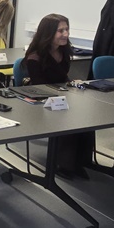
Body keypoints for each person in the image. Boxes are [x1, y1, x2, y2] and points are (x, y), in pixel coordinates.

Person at [22, 14, 93, 179]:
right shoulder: (35, 57)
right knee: (70, 118)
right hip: (40, 100)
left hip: (60, 95)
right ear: (48, 33)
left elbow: (62, 77)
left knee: (88, 116)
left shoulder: (64, 51)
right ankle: (65, 164)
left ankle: (81, 161)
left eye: (67, 29)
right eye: (60, 31)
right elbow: (39, 88)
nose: (66, 34)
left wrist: (71, 84)